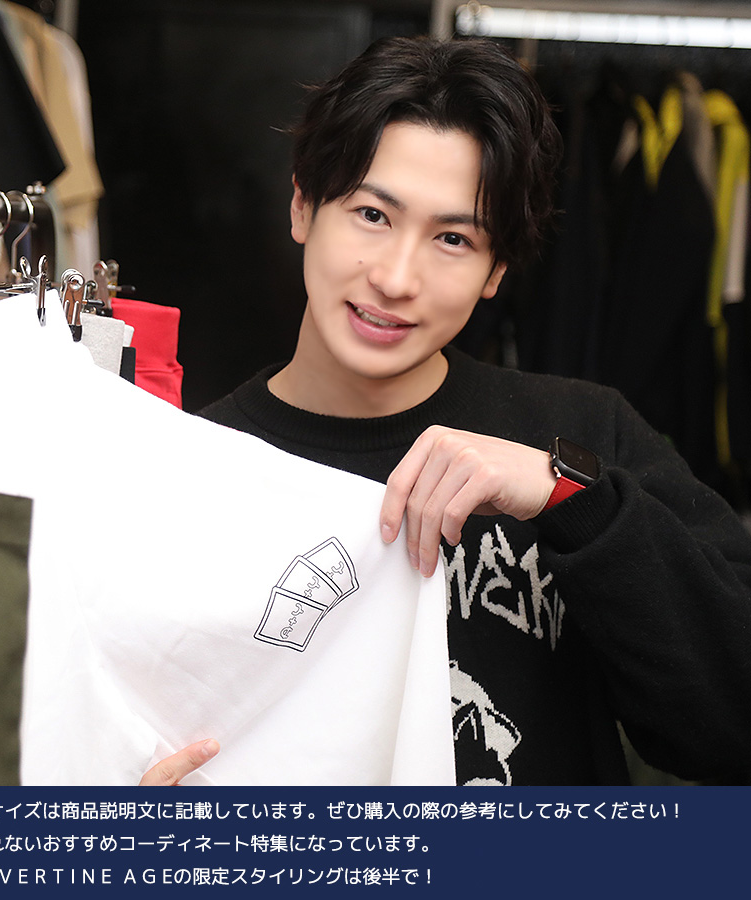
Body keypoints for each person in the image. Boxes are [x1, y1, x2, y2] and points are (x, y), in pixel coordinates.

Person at [189, 35, 751, 786]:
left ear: (497, 271)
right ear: (302, 206)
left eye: (453, 238)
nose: (396, 278)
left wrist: (569, 498)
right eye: (372, 215)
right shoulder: (190, 468)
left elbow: (732, 727)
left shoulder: (586, 434)